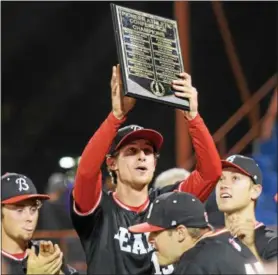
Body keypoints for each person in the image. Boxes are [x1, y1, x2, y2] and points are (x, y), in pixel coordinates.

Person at [70, 64, 222, 274]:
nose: (142, 156)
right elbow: (86, 172)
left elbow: (211, 173)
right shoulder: (98, 209)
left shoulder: (170, 203)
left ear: (155, 162)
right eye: (131, 151)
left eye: (148, 151)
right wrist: (116, 117)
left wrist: (193, 117)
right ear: (112, 163)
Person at [129, 192, 264, 274]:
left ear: (180, 232)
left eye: (156, 232)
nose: (149, 239)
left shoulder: (194, 263)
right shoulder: (229, 241)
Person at [1, 172, 78, 275]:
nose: (29, 217)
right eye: (19, 210)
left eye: (33, 209)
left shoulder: (45, 252)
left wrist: (58, 272)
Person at [214, 154, 278, 272]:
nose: (224, 185)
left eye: (235, 178)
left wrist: (250, 248)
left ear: (255, 191)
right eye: (221, 179)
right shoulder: (209, 242)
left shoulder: (272, 242)